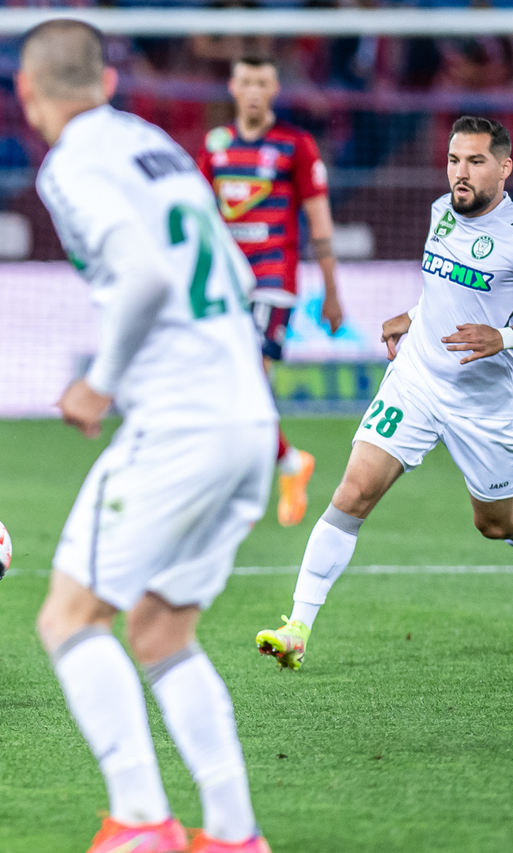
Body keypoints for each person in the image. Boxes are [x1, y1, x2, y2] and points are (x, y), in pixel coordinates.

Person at [18, 19, 276, 853]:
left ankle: (139, 818)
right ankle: (233, 837)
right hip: (246, 415)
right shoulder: (156, 146)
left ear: (27, 91)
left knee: (69, 618)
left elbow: (146, 275)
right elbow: (239, 275)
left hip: (180, 424)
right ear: (107, 80)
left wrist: (100, 382)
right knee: (162, 628)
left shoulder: (72, 164)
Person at [254, 116, 513, 671]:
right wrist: (410, 317)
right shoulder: (441, 211)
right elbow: (445, 290)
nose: (460, 173)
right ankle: (297, 628)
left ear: (504, 168)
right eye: (454, 160)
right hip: (417, 380)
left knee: (494, 522)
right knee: (354, 492)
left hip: (483, 405)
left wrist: (503, 337)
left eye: (475, 161)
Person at [195, 54, 343, 528]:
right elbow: (199, 218)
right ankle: (288, 462)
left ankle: (246, 475)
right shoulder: (215, 146)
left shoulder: (296, 145)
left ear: (275, 89)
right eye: (246, 82)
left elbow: (319, 222)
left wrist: (332, 290)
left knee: (249, 373)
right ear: (233, 88)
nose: (254, 91)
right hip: (226, 284)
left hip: (274, 281)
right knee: (232, 382)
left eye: (263, 82)